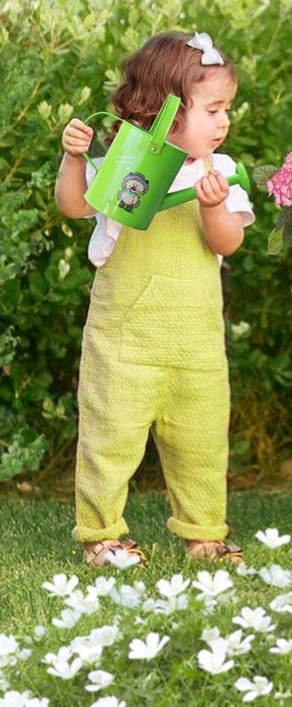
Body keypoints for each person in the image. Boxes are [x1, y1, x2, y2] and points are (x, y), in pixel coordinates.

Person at [55, 31, 254, 568]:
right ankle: (101, 535)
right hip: (123, 343)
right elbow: (74, 207)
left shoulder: (222, 173)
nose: (223, 121)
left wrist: (214, 209)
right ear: (164, 109)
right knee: (108, 438)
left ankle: (205, 533)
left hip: (196, 347)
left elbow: (227, 241)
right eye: (212, 109)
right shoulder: (125, 166)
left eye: (226, 109)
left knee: (201, 441)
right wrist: (75, 160)